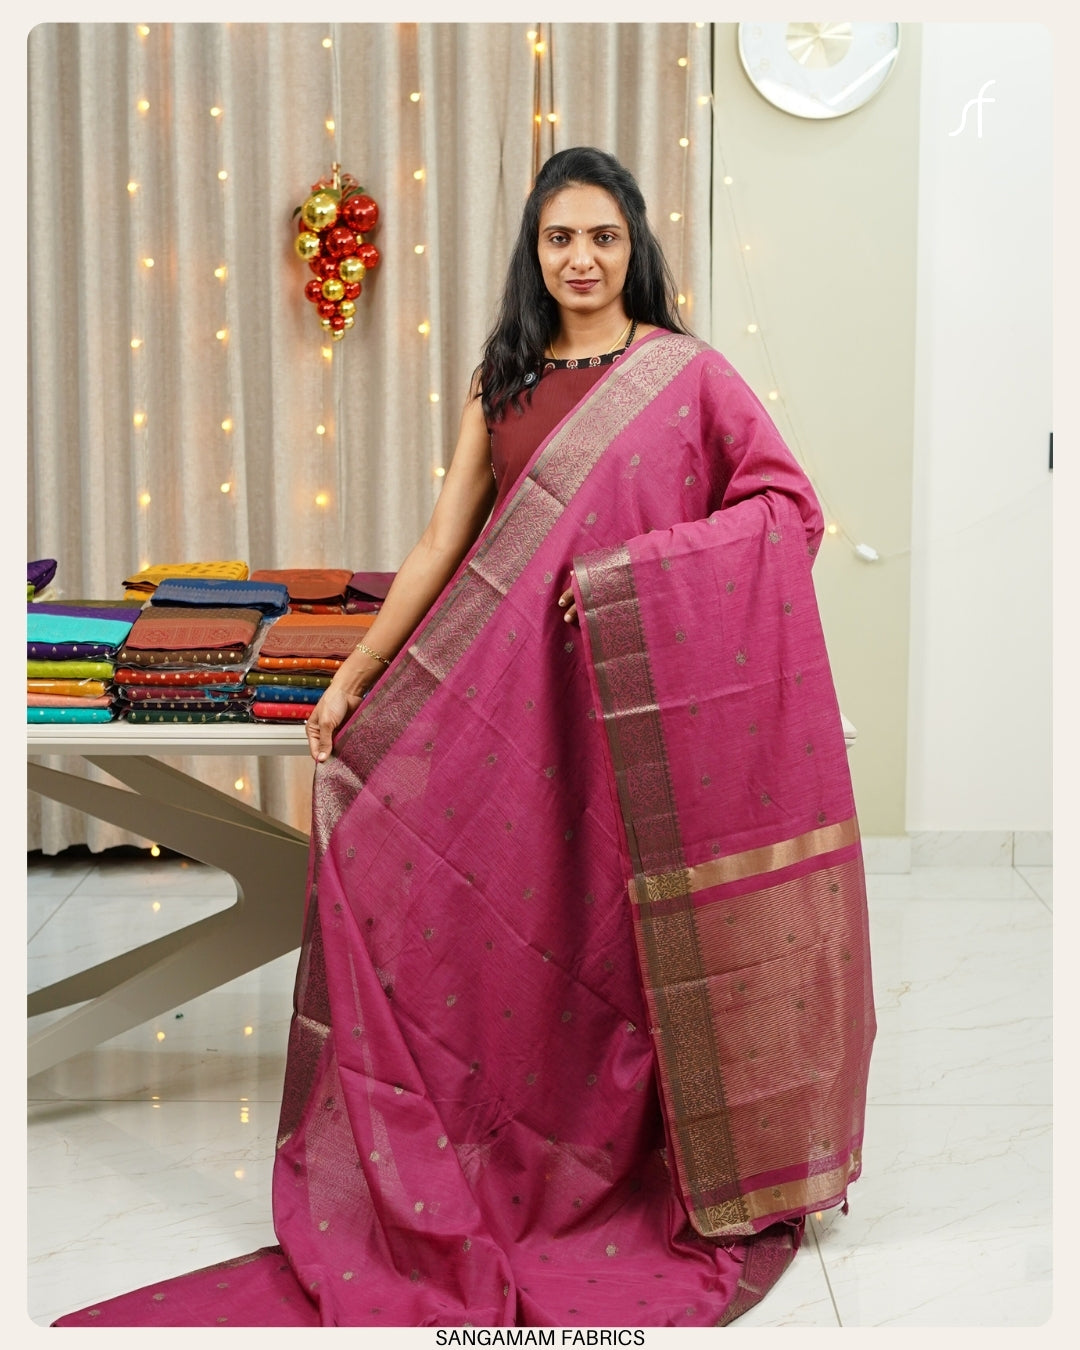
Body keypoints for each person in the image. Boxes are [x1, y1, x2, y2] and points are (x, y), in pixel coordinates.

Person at [55, 146, 875, 1329]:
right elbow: (444, 542)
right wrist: (353, 676)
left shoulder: (690, 377)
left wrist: (635, 580)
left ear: (635, 245)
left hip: (637, 717)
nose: (582, 259)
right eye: (560, 238)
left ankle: (634, 1150)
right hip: (518, 702)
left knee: (617, 932)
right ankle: (499, 1144)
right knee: (442, 880)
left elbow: (786, 511)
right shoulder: (505, 379)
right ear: (534, 251)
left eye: (603, 237)